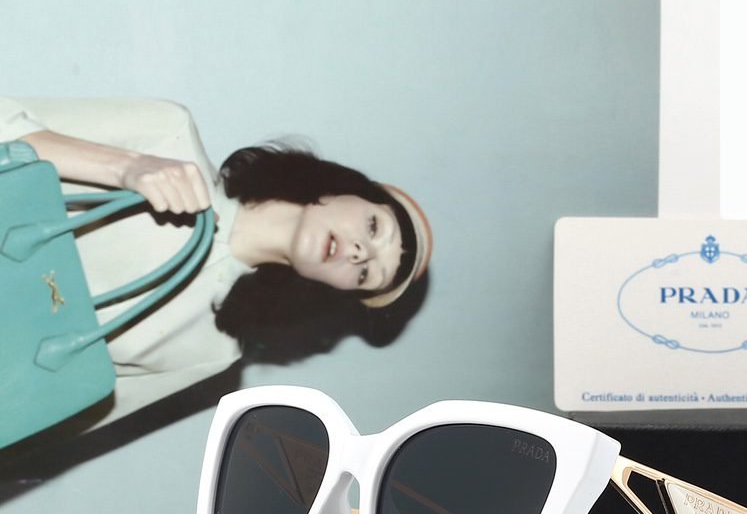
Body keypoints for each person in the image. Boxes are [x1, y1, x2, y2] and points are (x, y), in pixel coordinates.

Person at [0, 97, 432, 432]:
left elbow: (44, 419)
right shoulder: (168, 136)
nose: (360, 252)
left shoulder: (211, 352)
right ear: (344, 189)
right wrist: (127, 168)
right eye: (374, 227)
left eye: (364, 274)